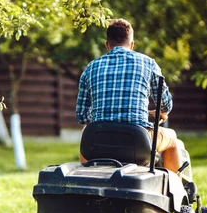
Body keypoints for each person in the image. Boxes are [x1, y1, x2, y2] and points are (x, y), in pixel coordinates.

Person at [75, 18, 184, 174]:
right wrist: (161, 112)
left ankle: (88, 179)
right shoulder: (148, 63)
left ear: (107, 45)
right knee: (172, 138)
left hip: (98, 142)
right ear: (132, 45)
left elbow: (81, 116)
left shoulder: (91, 67)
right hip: (137, 142)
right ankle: (176, 190)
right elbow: (166, 104)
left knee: (86, 134)